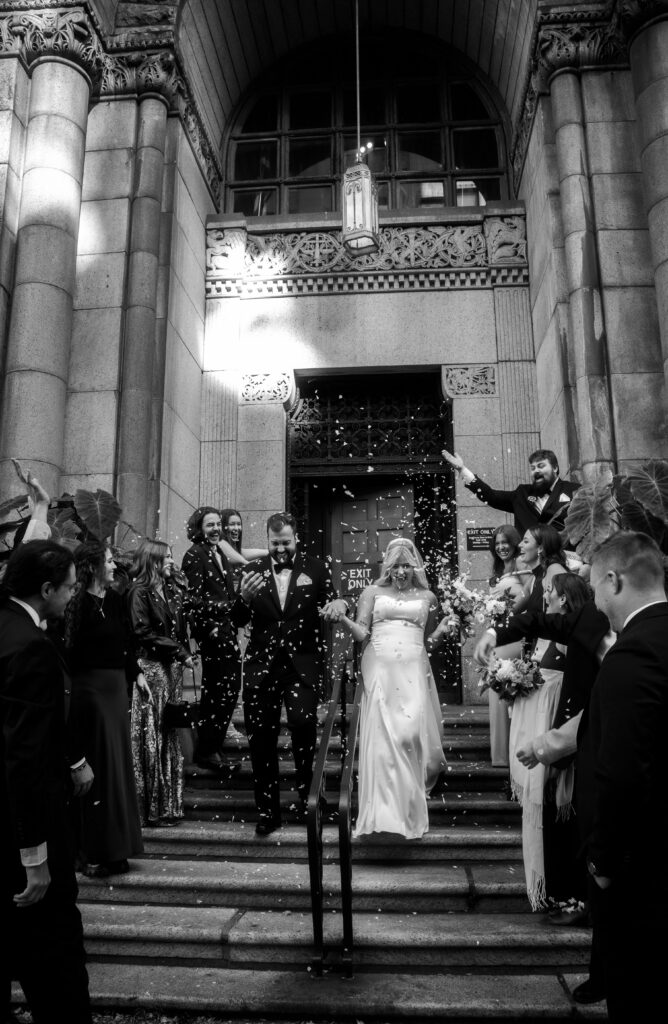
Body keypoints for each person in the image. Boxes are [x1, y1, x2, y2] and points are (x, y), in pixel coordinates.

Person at [0, 541, 93, 1024]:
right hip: (29, 834)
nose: (74, 594)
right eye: (70, 586)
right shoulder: (32, 649)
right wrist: (34, 857)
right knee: (56, 965)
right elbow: (25, 758)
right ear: (46, 589)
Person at [580, 532, 668, 1021]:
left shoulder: (631, 657)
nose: (594, 600)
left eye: (593, 587)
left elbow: (621, 774)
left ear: (613, 580)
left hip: (645, 872)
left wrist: (604, 862)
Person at [235, 512, 348, 835]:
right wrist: (243, 598)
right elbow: (236, 618)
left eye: (285, 542)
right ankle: (268, 812)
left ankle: (307, 797)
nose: (280, 549)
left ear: (295, 538)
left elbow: (334, 599)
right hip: (261, 668)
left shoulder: (314, 568)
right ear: (267, 540)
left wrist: (340, 605)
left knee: (303, 726)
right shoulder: (252, 570)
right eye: (274, 543)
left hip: (302, 666)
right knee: (262, 740)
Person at [337, 538, 448, 839]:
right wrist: (345, 620)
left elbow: (430, 640)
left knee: (410, 733)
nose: (401, 571)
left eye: (406, 565)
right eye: (395, 565)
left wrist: (448, 626)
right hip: (380, 666)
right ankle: (385, 812)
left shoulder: (428, 596)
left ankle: (409, 804)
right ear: (387, 565)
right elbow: (362, 633)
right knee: (385, 737)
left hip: (414, 666)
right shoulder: (373, 592)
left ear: (415, 567)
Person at [64, 542, 148, 878]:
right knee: (98, 768)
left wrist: (136, 673)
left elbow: (124, 646)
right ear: (93, 566)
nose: (115, 566)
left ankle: (119, 848)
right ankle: (93, 851)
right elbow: (68, 651)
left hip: (116, 692)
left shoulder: (114, 600)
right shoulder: (76, 602)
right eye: (110, 561)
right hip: (89, 693)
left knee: (117, 768)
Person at [128, 540, 194, 827]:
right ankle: (149, 808)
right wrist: (179, 650)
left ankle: (168, 806)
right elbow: (141, 632)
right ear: (153, 561)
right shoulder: (137, 592)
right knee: (152, 737)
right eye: (166, 557)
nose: (171, 560)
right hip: (152, 670)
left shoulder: (166, 591)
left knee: (167, 736)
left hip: (168, 670)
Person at [181, 507, 242, 774]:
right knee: (216, 693)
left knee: (229, 691)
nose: (216, 529)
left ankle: (214, 747)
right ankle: (208, 751)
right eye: (210, 525)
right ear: (199, 528)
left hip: (228, 633)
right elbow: (191, 601)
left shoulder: (220, 555)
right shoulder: (194, 555)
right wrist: (213, 624)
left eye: (218, 524)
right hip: (213, 635)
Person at [442, 447, 579, 535]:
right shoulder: (522, 493)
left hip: (564, 564)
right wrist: (462, 469)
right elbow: (491, 496)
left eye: (541, 466)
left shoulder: (574, 491)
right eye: (533, 468)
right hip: (527, 566)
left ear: (555, 468)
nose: (536, 471)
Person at [486, 525, 524, 767]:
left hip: (515, 638)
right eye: (497, 543)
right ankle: (501, 756)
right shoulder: (497, 571)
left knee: (507, 693)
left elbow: (530, 596)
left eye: (505, 542)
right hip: (497, 635)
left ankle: (512, 755)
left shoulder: (522, 566)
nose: (501, 547)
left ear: (515, 543)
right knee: (498, 694)